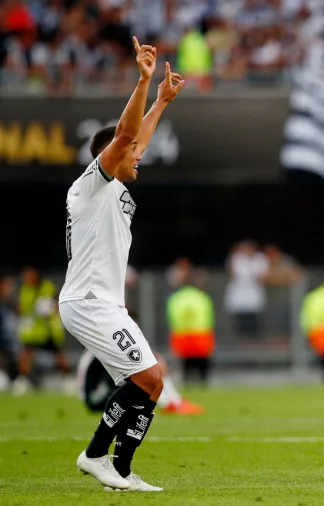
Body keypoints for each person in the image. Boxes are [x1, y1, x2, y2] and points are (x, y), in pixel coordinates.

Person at [57, 37, 184, 492]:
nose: (139, 157)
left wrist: (163, 101)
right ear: (109, 155)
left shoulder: (115, 188)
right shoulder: (90, 186)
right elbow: (127, 138)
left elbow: (137, 138)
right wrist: (144, 81)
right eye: (131, 153)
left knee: (149, 385)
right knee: (149, 377)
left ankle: (121, 469)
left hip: (105, 302)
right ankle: (95, 456)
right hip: (87, 301)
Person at [76, 350, 204, 416]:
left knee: (151, 364)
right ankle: (171, 403)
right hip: (96, 400)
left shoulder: (97, 347)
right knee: (150, 367)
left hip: (96, 397)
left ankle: (174, 401)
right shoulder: (104, 349)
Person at [14, 266, 69, 393]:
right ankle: (22, 381)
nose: (26, 278)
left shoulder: (48, 287)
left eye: (29, 275)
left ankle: (67, 379)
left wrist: (48, 308)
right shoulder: (24, 289)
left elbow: (58, 302)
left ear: (36, 275)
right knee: (26, 355)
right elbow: (22, 308)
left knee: (58, 355)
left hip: (48, 330)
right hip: (33, 331)